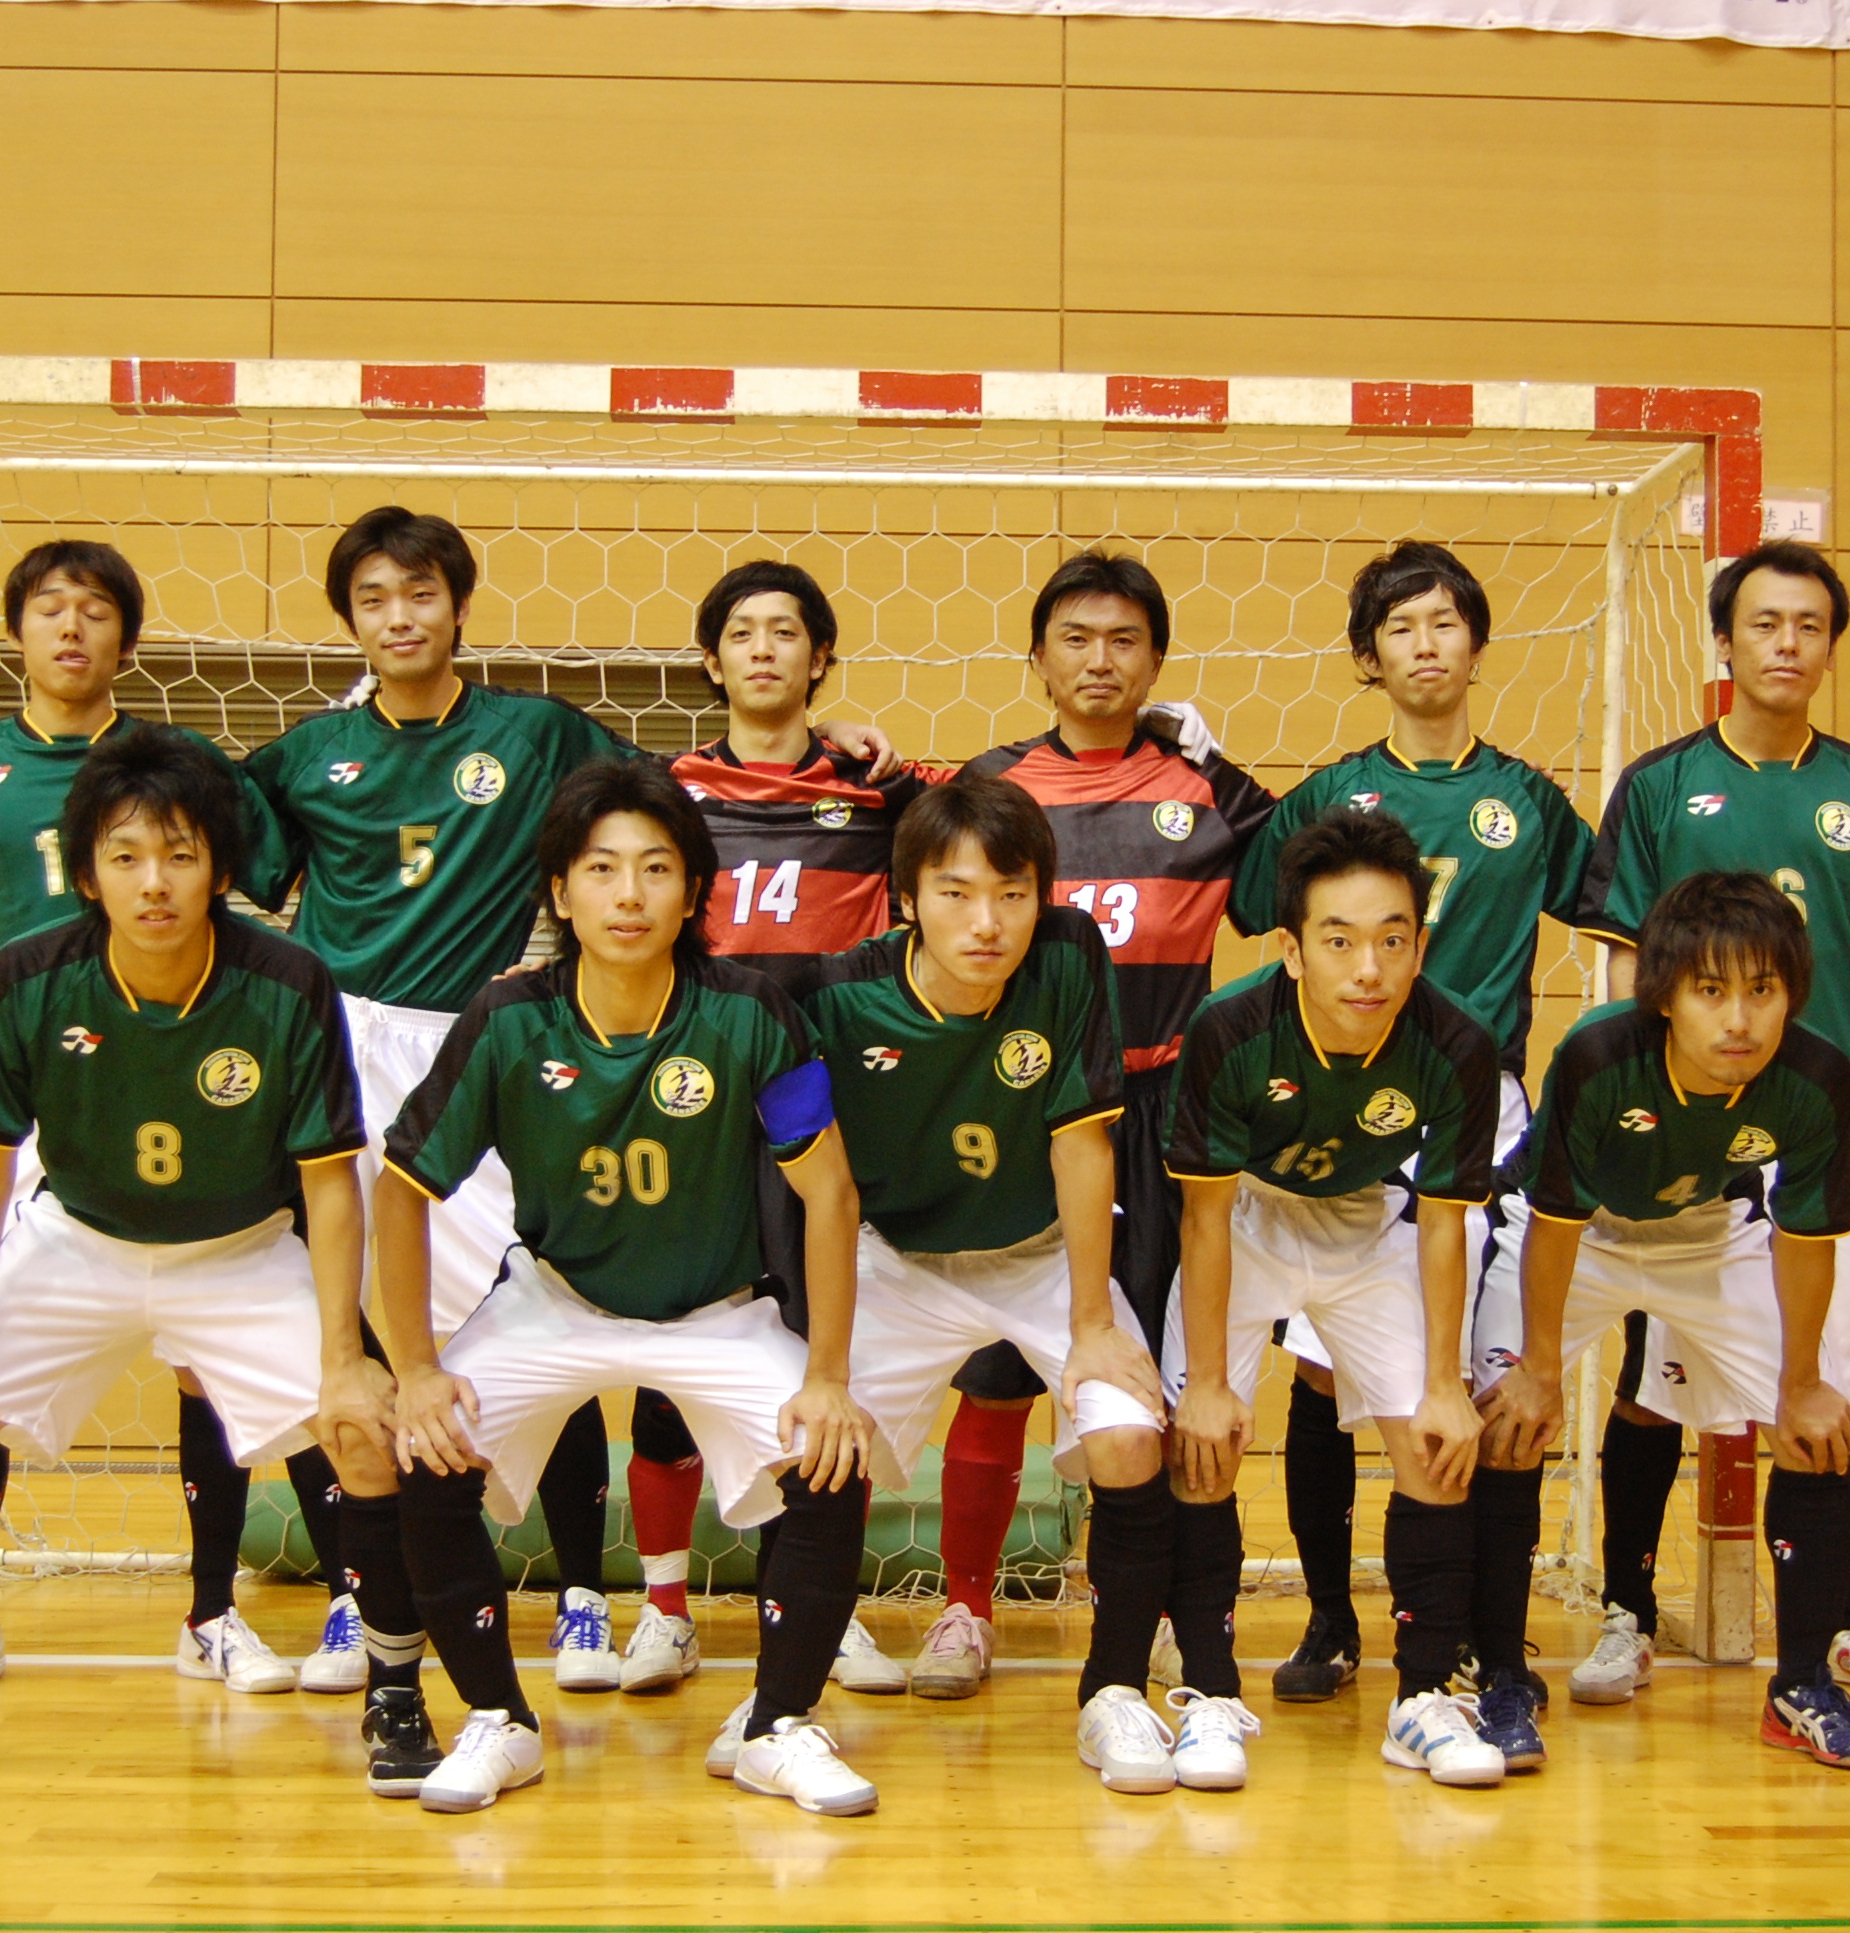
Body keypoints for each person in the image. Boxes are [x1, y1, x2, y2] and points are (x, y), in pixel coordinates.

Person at [0, 725, 377, 1793]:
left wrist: (347, 1356)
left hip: (239, 1251)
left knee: (369, 1438)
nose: (153, 881)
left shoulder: (288, 980)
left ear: (219, 868)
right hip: (74, 1242)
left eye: (178, 854)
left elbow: (329, 1183)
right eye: (125, 856)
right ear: (87, 873)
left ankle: (395, 1695)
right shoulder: (28, 977)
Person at [0, 539, 333, 1699]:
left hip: (184, 1082)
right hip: (34, 1094)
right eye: (48, 608)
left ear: (127, 636)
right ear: (13, 630)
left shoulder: (178, 767)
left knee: (208, 1360)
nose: (71, 628)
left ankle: (212, 1610)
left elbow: (278, 883)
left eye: (95, 610)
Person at [369, 758, 882, 1817]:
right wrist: (413, 1367)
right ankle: (497, 1721)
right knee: (421, 1443)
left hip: (718, 1313)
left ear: (692, 893)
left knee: (833, 1451)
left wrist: (828, 1374)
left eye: (655, 868)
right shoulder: (507, 1017)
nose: (628, 893)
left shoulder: (750, 1012)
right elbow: (400, 1187)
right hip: (554, 1301)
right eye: (600, 869)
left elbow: (829, 1193)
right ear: (560, 892)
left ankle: (777, 1724)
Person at [1224, 540, 1595, 1760]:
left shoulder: (1526, 799)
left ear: (1476, 645)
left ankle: (1492, 1646)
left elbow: (1625, 905)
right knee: (1321, 1375)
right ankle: (1332, 1617)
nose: (1425, 643)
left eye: (1444, 621)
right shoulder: (1331, 794)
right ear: (1365, 656)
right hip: (1342, 1115)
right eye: (1400, 626)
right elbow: (1245, 899)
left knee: (1485, 1380)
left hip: (1478, 1113)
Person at [1565, 543, 1850, 1709]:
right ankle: (1626, 1610)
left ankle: (1844, 1613)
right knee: (1654, 1370)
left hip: (1836, 1120)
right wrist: (1634, 1107)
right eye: (1766, 622)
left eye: (1809, 625)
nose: (1787, 643)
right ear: (1722, 641)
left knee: (1849, 1377)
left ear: (1830, 645)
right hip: (1690, 1119)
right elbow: (1624, 961)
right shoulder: (1660, 784)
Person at [795, 779, 1216, 1783]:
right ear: (906, 898)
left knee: (1127, 1432)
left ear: (1041, 897)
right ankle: (781, 1707)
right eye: (955, 893)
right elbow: (826, 1191)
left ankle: (1113, 1695)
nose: (986, 922)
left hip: (1037, 1255)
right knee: (815, 1449)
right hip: (899, 1260)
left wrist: (1092, 1323)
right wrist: (824, 1368)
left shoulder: (1068, 954)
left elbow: (1081, 1144)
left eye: (1012, 894)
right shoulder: (836, 995)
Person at [929, 551, 1276, 1700]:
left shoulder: (1205, 792)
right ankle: (965, 1608)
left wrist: (1214, 762)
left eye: (1123, 639)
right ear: (1036, 656)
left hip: (1164, 1110)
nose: (1098, 659)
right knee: (995, 1372)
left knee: (1162, 1372)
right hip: (1022, 1107)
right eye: (1074, 637)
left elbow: (1304, 872)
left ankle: (1169, 1613)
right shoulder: (992, 785)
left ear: (1157, 661)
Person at [1480, 871, 1850, 1769]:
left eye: (1762, 990)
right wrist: (1539, 1370)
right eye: (1711, 991)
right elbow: (1554, 1224)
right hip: (1576, 1234)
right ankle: (1501, 1676)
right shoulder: (1597, 1055)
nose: (1739, 1020)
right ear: (1666, 994)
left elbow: (1805, 1238)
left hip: (1710, 1233)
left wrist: (1802, 1381)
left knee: (1819, 1431)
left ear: (1793, 993)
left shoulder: (1819, 1075)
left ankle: (1801, 1689)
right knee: (1505, 1420)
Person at [611, 560, 933, 1697]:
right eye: (741, 632)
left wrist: (874, 751)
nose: (762, 649)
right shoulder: (663, 791)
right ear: (710, 660)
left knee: (820, 1365)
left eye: (785, 631)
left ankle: (819, 1611)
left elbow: (993, 803)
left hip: (824, 1120)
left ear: (820, 656)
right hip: (690, 1109)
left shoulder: (877, 794)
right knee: (667, 1364)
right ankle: (663, 1610)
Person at [1160, 809, 1506, 1788]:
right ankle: (1208, 1694)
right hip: (1245, 1218)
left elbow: (1443, 1224)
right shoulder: (1229, 1029)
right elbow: (1202, 1220)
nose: (1368, 968)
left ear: (1420, 947)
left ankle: (1421, 1701)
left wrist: (1445, 1383)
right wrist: (1208, 1386)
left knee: (1436, 1445)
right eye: (1340, 941)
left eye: (1392, 940)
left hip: (1367, 1221)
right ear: (1290, 948)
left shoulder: (1457, 1044)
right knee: (1201, 1443)